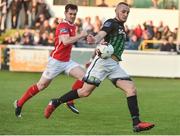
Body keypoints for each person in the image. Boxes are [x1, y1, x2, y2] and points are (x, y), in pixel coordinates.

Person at [44, 2, 155, 132]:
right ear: (116, 11)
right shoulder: (111, 23)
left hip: (114, 64)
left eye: (127, 12)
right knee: (85, 92)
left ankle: (137, 123)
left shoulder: (121, 26)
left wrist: (99, 40)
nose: (125, 14)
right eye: (123, 11)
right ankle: (56, 102)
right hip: (103, 63)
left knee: (131, 89)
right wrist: (95, 39)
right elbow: (102, 34)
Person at [14, 4, 88, 117]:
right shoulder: (63, 25)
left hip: (67, 61)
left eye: (74, 14)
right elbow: (66, 41)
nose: (72, 16)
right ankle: (19, 103)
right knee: (41, 86)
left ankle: (70, 101)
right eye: (70, 14)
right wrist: (81, 35)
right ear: (65, 13)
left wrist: (87, 38)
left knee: (85, 77)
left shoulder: (73, 26)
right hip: (56, 61)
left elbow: (72, 41)